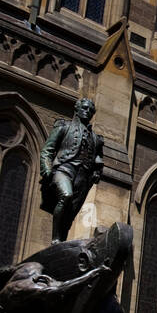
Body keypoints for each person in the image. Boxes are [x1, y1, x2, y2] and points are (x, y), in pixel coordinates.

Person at [39, 98, 103, 242]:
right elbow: (47, 150)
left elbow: (98, 160)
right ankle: (55, 238)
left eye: (91, 111)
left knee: (70, 214)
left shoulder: (96, 138)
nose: (88, 112)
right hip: (64, 169)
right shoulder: (63, 126)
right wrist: (47, 169)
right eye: (85, 108)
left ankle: (61, 240)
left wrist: (97, 173)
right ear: (77, 109)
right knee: (66, 195)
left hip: (83, 176)